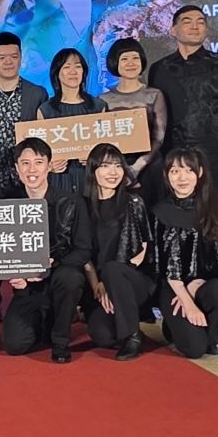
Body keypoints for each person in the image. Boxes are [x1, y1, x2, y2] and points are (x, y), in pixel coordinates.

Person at [2, 137, 91, 363]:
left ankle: (61, 342)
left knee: (71, 277)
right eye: (25, 163)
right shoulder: (6, 204)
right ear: (17, 168)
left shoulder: (72, 202)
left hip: (59, 276)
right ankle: (45, 318)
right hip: (27, 286)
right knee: (15, 345)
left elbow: (83, 250)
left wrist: (50, 265)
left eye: (39, 162)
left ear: (49, 166)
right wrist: (14, 272)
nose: (32, 170)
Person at [0, 32, 47, 323]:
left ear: (21, 57)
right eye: (2, 57)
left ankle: (26, 297)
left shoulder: (37, 94)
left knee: (27, 238)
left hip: (27, 180)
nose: (8, 62)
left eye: (14, 56)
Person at [148, 6, 218, 196]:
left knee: (216, 211)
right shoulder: (160, 68)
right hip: (174, 156)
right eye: (187, 21)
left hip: (217, 156)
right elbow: (155, 115)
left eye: (200, 22)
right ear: (173, 30)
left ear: (206, 29)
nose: (195, 26)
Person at [152, 148, 218, 360]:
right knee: (195, 349)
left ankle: (213, 332)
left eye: (188, 170)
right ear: (166, 175)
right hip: (173, 287)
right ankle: (173, 325)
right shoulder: (159, 212)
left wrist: (198, 281)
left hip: (206, 283)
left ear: (199, 173)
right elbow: (163, 264)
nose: (182, 178)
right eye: (175, 171)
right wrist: (187, 301)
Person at [80, 143, 155, 361]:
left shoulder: (134, 202)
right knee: (102, 336)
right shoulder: (82, 206)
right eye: (105, 166)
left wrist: (112, 280)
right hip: (99, 285)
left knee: (113, 269)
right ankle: (128, 323)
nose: (112, 172)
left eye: (117, 166)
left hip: (133, 279)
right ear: (93, 170)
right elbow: (83, 253)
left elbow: (143, 248)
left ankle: (133, 337)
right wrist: (97, 284)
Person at [98, 37, 168, 197]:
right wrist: (118, 167)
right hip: (114, 169)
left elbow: (158, 137)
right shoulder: (103, 99)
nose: (131, 63)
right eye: (124, 59)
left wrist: (137, 167)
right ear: (115, 62)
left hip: (148, 167)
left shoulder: (154, 95)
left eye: (135, 58)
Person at [37, 48, 108, 195]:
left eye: (78, 66)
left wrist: (95, 158)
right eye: (67, 67)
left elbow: (107, 148)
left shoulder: (98, 107)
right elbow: (40, 153)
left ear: (84, 71)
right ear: (57, 73)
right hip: (59, 179)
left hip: (90, 178)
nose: (73, 71)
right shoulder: (45, 110)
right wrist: (49, 166)